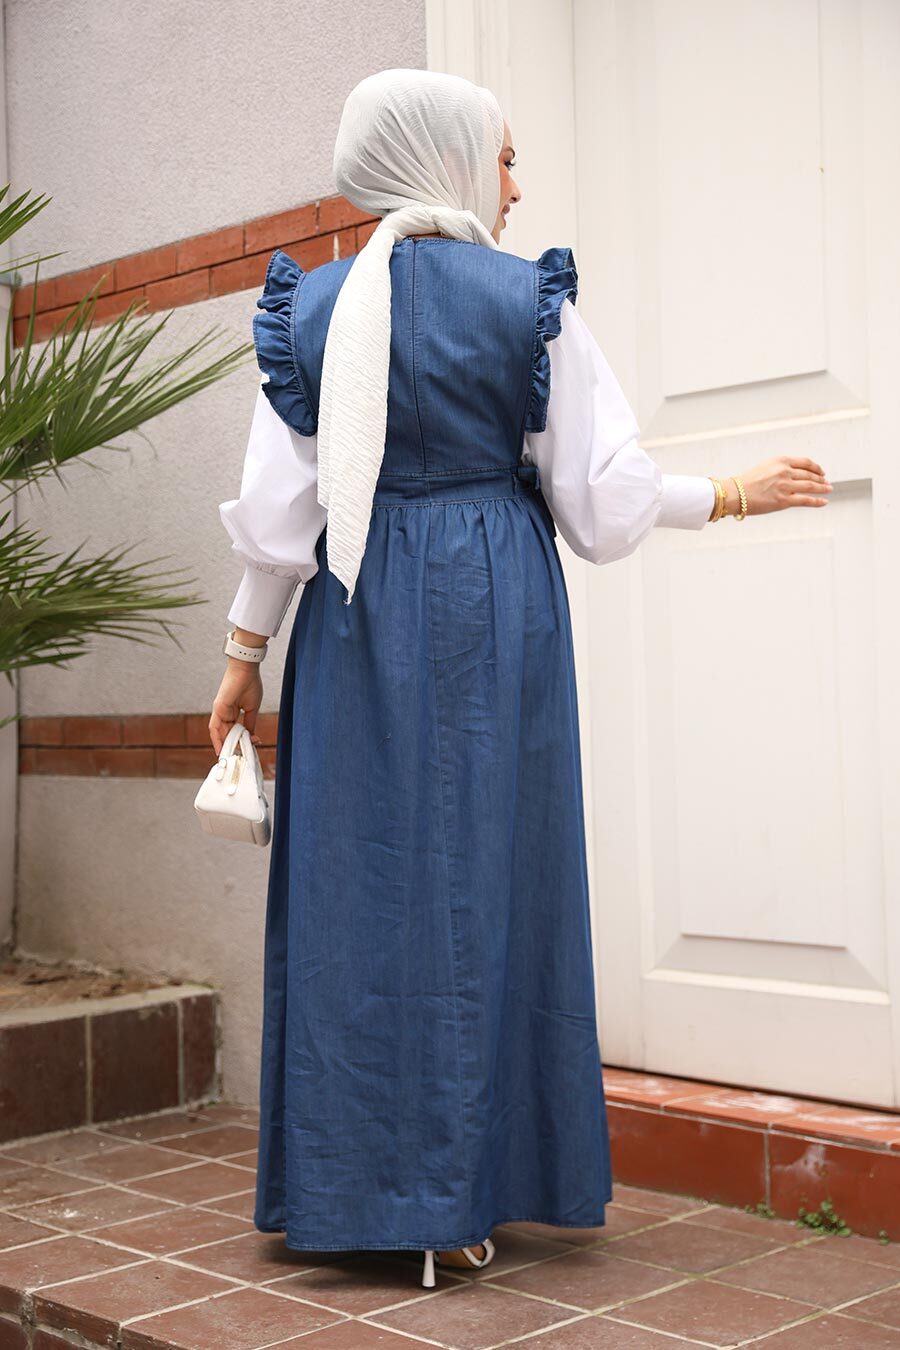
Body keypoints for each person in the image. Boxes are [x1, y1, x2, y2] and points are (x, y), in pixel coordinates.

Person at [210, 68, 832, 1289]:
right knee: (489, 881)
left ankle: (358, 1188)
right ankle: (467, 1189)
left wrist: (242, 653)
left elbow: (283, 512)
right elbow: (598, 501)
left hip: (353, 617)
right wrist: (727, 493)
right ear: (442, 155)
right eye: (502, 157)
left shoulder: (314, 310)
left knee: (358, 883)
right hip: (492, 609)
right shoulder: (523, 303)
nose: (516, 184)